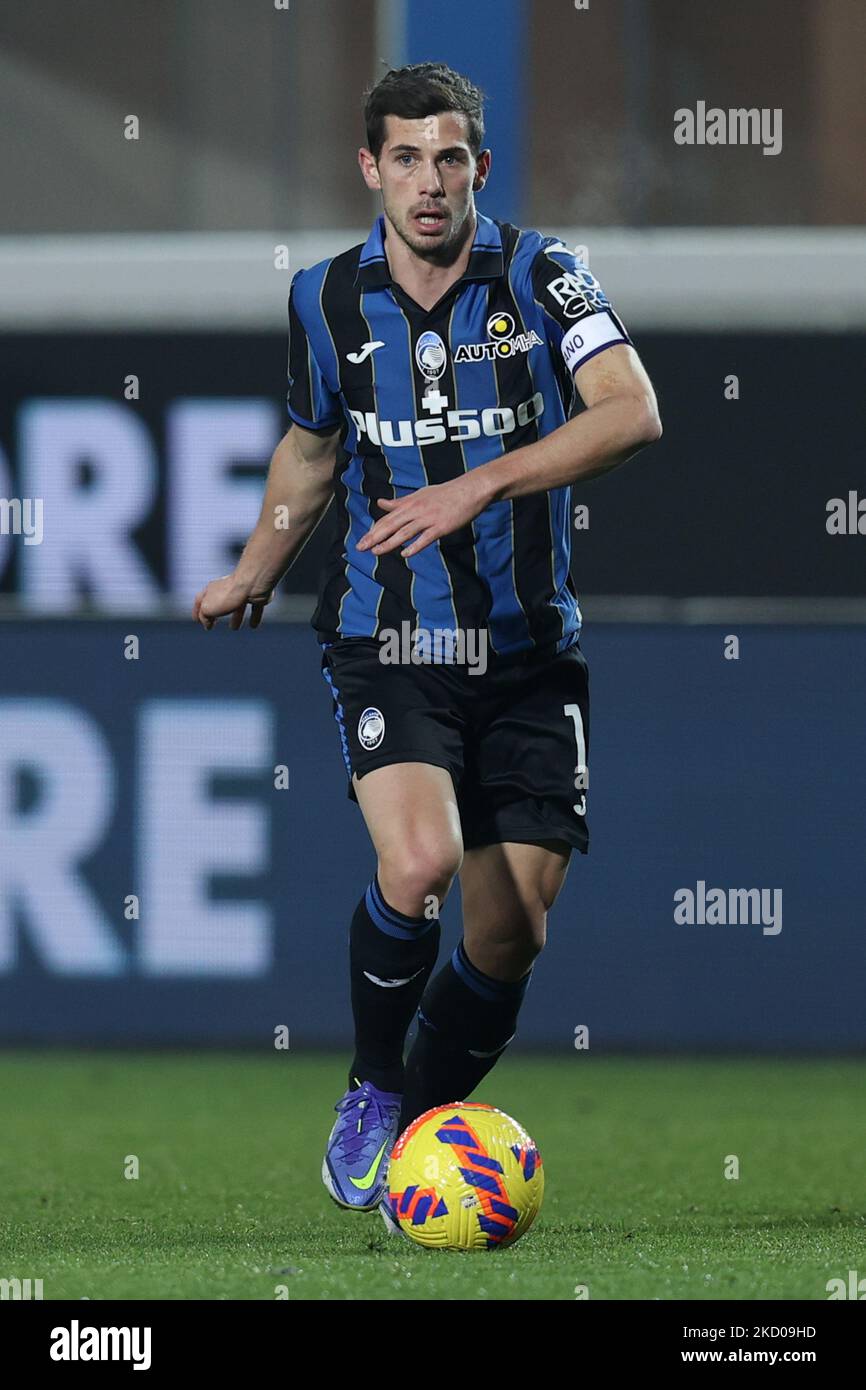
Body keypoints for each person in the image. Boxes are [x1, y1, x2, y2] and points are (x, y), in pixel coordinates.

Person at [193, 61, 661, 1233]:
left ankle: (417, 1120)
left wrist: (477, 487)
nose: (428, 181)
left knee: (512, 931)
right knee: (418, 864)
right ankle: (368, 1085)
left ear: (477, 170)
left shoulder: (543, 275)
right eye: (404, 158)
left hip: (527, 651)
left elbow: (630, 410)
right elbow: (310, 451)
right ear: (371, 170)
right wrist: (256, 566)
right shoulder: (323, 298)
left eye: (448, 157)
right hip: (387, 631)